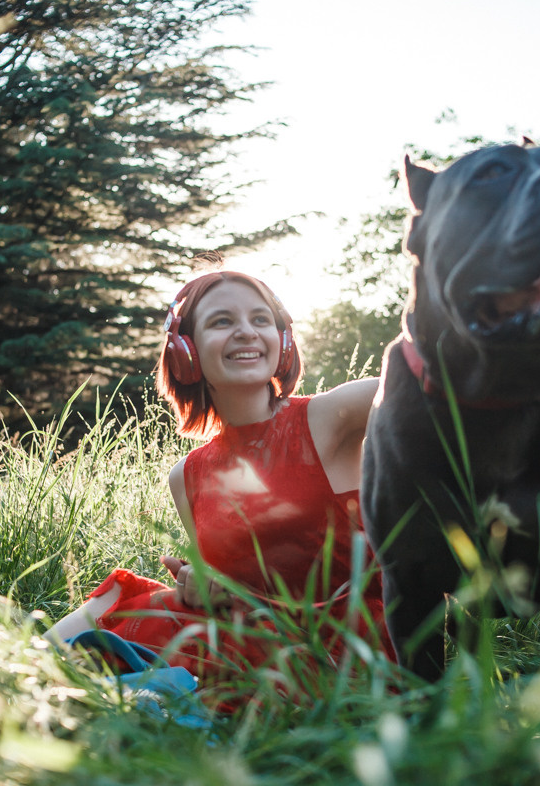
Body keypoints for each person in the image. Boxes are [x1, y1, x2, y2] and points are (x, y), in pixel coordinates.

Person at [45, 270, 394, 695]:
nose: (247, 332)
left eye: (261, 320)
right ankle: (11, 685)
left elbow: (430, 383)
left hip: (350, 653)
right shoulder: (186, 476)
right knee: (112, 603)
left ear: (282, 341)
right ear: (185, 351)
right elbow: (225, 591)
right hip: (253, 640)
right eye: (222, 321)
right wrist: (200, 584)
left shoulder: (333, 415)